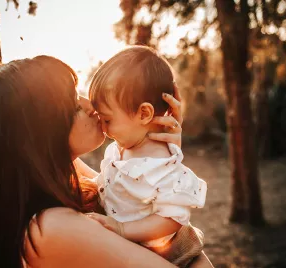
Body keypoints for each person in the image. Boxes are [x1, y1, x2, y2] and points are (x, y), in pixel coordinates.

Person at [0, 55, 213, 267]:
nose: (91, 105)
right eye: (73, 104)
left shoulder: (67, 179)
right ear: (39, 132)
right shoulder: (50, 227)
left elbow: (147, 204)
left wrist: (161, 156)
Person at [87, 46, 208, 268]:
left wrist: (123, 229)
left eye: (107, 119)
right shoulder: (122, 146)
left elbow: (172, 218)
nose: (103, 128)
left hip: (170, 254)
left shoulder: (160, 163)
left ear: (144, 113)